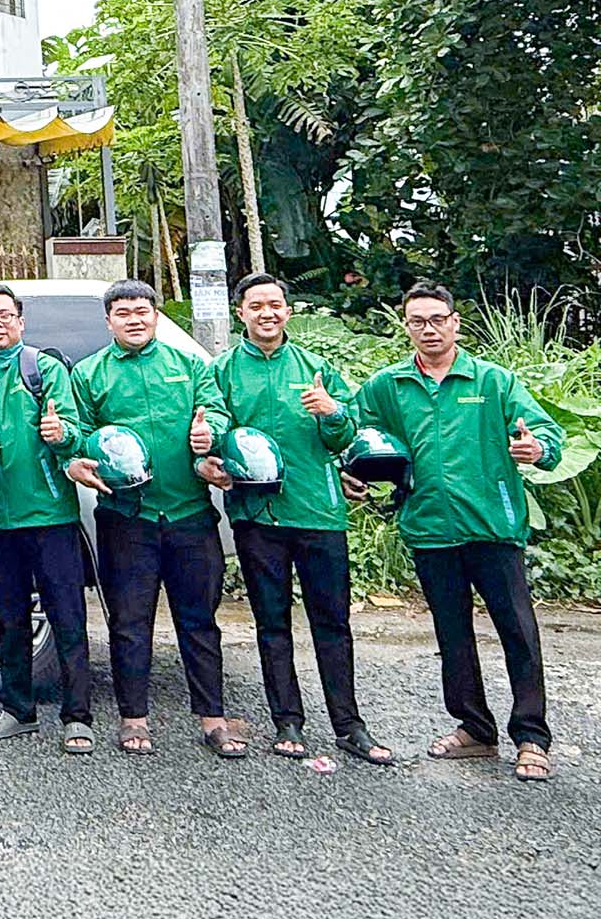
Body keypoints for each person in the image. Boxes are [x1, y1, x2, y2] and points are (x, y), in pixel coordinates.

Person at [353, 281, 563, 782]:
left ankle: (531, 737)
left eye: (437, 319)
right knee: (453, 634)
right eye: (417, 321)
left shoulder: (493, 381)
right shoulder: (388, 385)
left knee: (518, 632)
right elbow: (354, 432)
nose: (428, 329)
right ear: (406, 326)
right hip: (429, 527)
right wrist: (352, 471)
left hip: (492, 527)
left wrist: (538, 448)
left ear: (455, 323)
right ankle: (475, 728)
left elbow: (546, 432)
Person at [202, 274, 392, 766]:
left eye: (275, 305)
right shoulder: (223, 371)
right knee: (272, 622)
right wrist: (210, 449)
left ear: (288, 311)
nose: (267, 313)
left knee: (333, 622)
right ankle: (287, 721)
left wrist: (331, 412)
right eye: (256, 306)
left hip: (318, 512)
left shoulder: (315, 368)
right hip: (256, 514)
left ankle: (349, 725)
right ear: (241, 313)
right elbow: (212, 425)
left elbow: (346, 436)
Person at [68, 279, 236, 758]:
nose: (134, 320)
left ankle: (213, 719)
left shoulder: (189, 366)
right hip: (126, 518)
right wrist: (77, 456)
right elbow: (78, 430)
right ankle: (133, 718)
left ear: (156, 315)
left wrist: (210, 433)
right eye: (123, 313)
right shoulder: (90, 373)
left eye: (142, 311)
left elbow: (215, 410)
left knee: (199, 621)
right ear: (108, 321)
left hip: (189, 513)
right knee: (129, 622)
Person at [0, 283, 93, 755]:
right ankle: (17, 710)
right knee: (8, 618)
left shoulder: (43, 370)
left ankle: (77, 716)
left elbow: (76, 432)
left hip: (50, 515)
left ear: (20, 321)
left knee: (66, 616)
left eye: (4, 315)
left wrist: (61, 432)